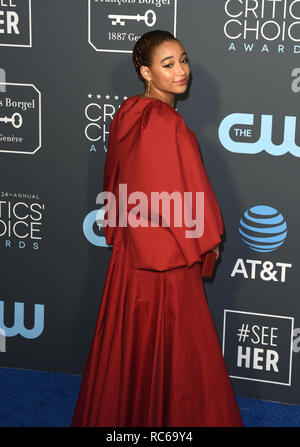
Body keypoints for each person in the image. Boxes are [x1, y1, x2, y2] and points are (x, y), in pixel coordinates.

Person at [71, 30, 243, 427]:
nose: (181, 71)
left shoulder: (128, 112)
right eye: (168, 65)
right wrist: (206, 241)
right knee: (180, 351)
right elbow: (182, 193)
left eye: (183, 60)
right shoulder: (166, 123)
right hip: (168, 259)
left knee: (128, 345)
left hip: (132, 256)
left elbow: (116, 179)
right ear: (146, 72)